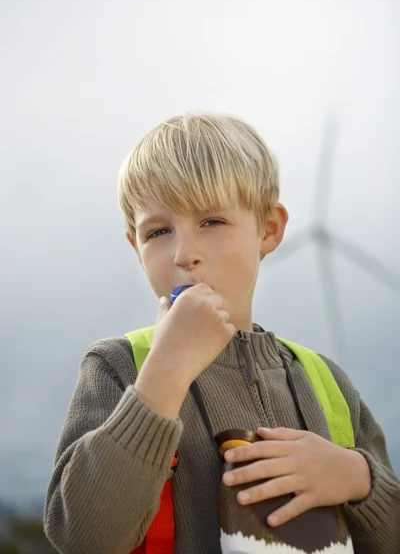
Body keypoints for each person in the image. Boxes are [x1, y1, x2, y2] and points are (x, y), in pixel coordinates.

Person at [44, 113, 400, 554]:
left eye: (211, 222)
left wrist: (359, 479)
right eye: (158, 231)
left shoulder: (327, 381)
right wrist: (165, 374)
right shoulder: (118, 366)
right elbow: (82, 537)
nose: (184, 254)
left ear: (268, 229)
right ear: (136, 247)